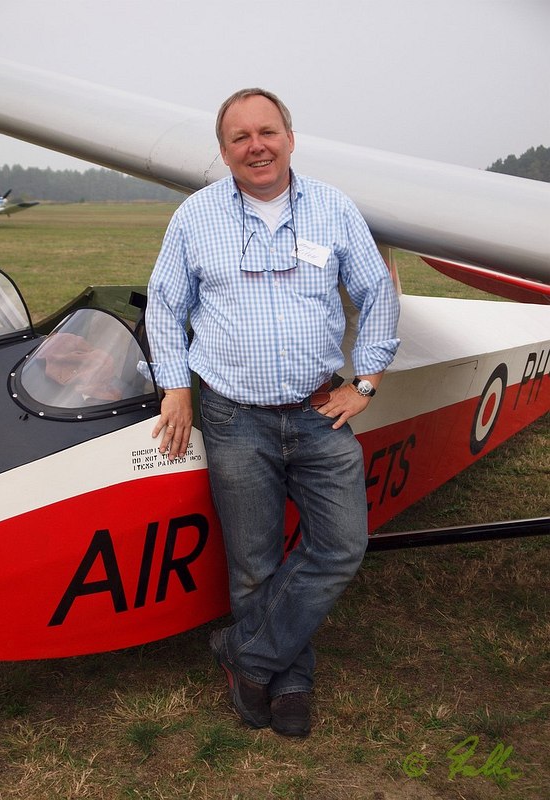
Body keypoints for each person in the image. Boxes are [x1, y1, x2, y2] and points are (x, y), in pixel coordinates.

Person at [146, 88, 400, 737]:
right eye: (239, 137)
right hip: (234, 414)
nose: (255, 145)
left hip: (319, 408)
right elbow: (164, 306)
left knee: (341, 544)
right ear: (225, 149)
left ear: (289, 136)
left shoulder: (334, 208)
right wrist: (176, 387)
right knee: (254, 561)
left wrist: (365, 382)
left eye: (267, 131)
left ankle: (247, 654)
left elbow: (377, 291)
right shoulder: (195, 217)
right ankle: (288, 680)